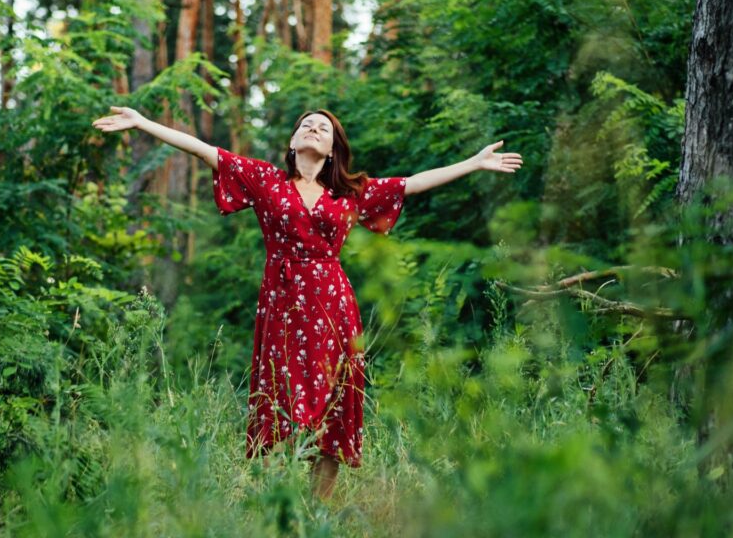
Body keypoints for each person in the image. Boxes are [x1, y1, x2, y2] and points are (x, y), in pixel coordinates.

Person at [92, 106, 523, 500]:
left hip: (333, 303)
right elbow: (206, 150)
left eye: (324, 128)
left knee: (334, 401)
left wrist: (474, 162)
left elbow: (410, 184)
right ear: (293, 143)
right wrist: (143, 122)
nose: (314, 129)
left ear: (333, 150)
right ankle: (281, 502)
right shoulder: (265, 180)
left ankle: (320, 507)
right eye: (305, 125)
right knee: (282, 397)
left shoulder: (349, 192)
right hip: (281, 304)